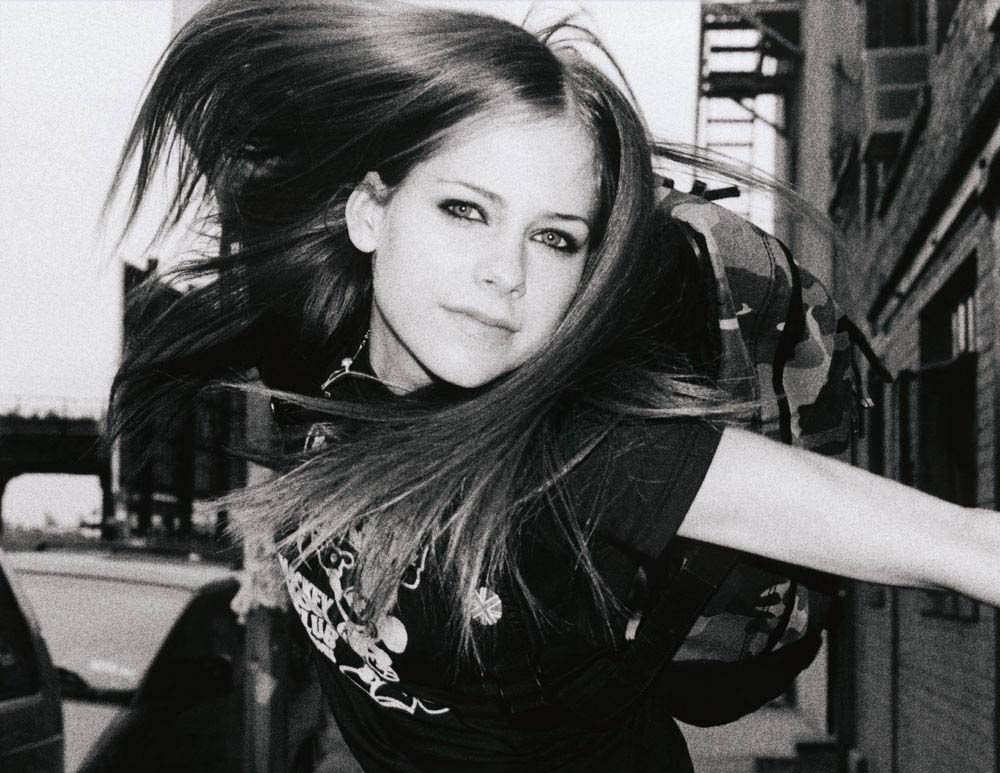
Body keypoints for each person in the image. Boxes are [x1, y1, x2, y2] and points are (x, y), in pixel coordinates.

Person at [106, 1, 1000, 770]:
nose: (506, 272)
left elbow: (961, 542)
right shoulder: (323, 342)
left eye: (554, 238)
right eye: (465, 209)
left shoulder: (584, 456)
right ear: (372, 211)